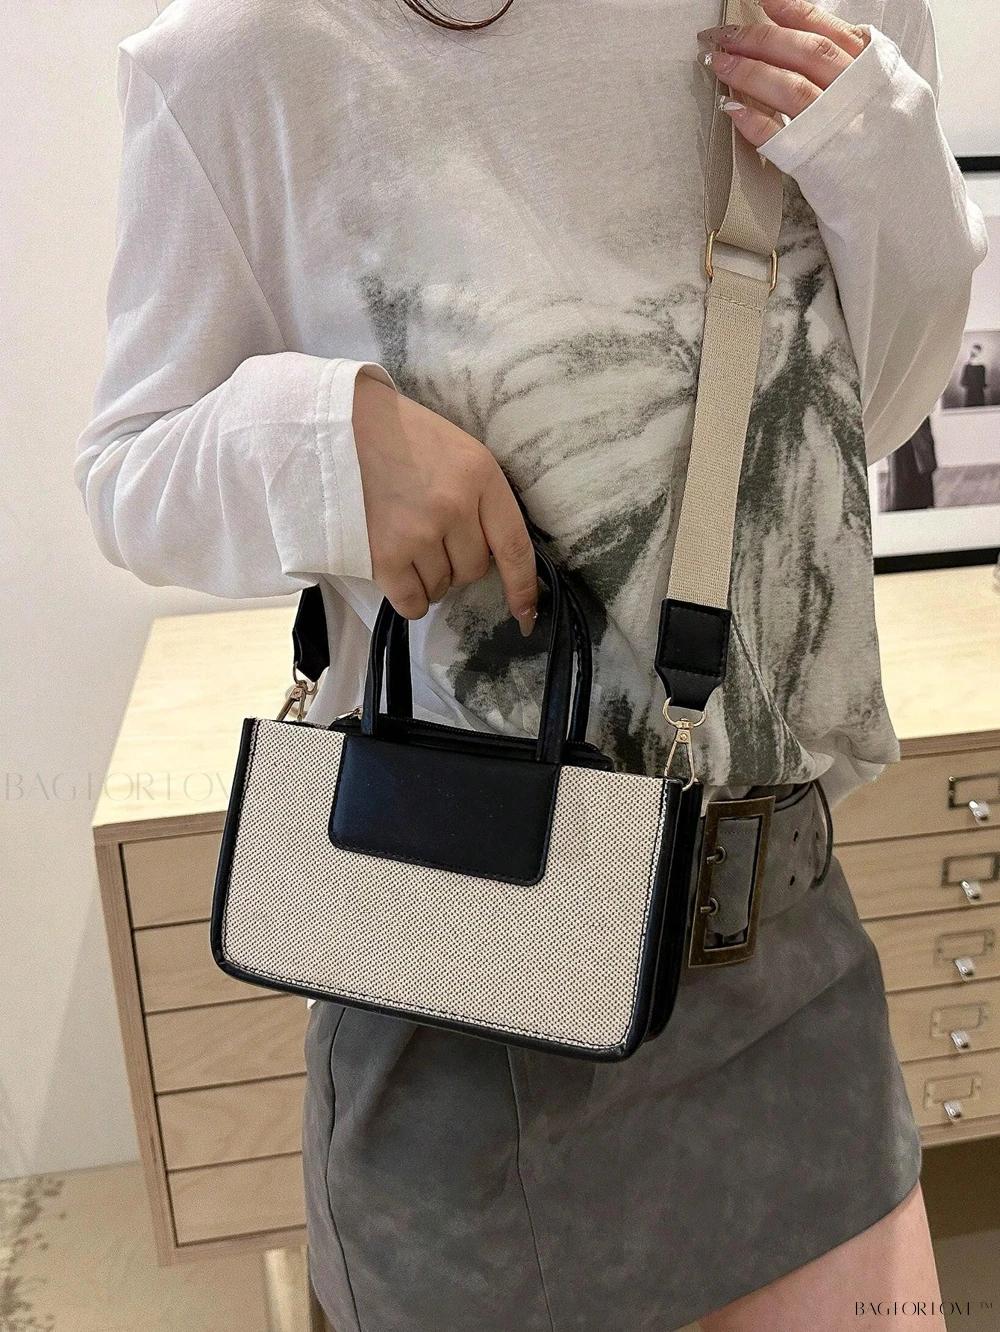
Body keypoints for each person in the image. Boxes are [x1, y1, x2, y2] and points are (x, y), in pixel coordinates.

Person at [75, 0, 988, 1328]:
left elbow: (864, 425)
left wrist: (887, 167)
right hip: (468, 991)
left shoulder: (822, 18)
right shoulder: (253, 53)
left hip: (788, 964)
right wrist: (333, 440)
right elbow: (128, 468)